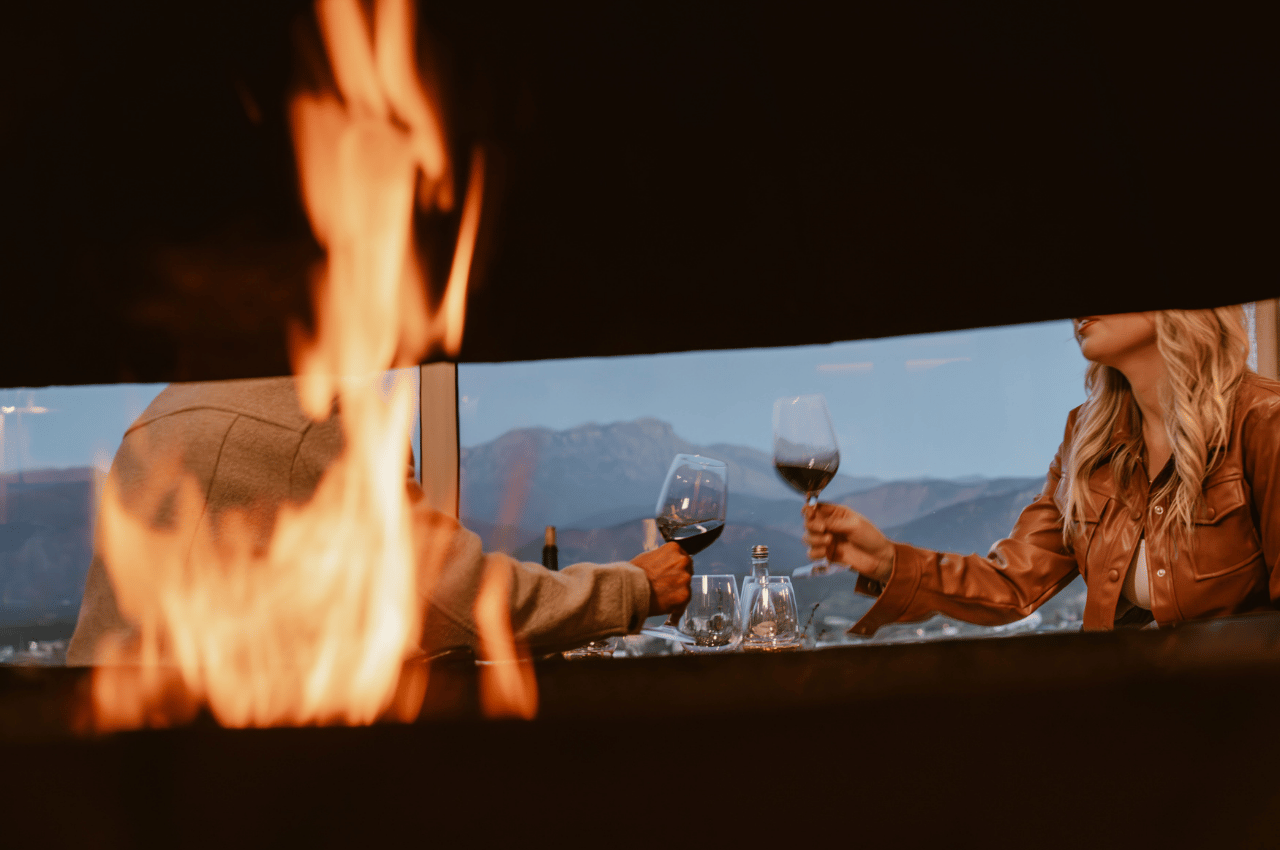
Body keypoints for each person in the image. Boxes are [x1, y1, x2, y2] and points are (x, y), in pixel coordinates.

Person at [66, 377, 692, 664]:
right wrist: (632, 588)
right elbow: (451, 596)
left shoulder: (166, 406)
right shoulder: (322, 411)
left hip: (110, 754)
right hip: (228, 772)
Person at [803, 307, 1280, 635]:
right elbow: (1012, 585)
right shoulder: (1088, 436)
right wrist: (887, 559)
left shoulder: (1263, 422)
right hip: (1132, 715)